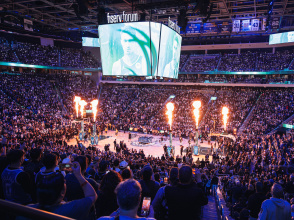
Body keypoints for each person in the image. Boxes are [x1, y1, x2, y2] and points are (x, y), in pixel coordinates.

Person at [21, 162, 97, 220]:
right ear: (62, 193)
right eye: (64, 182)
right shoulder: (70, 209)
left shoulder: (26, 209)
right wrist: (79, 175)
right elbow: (92, 196)